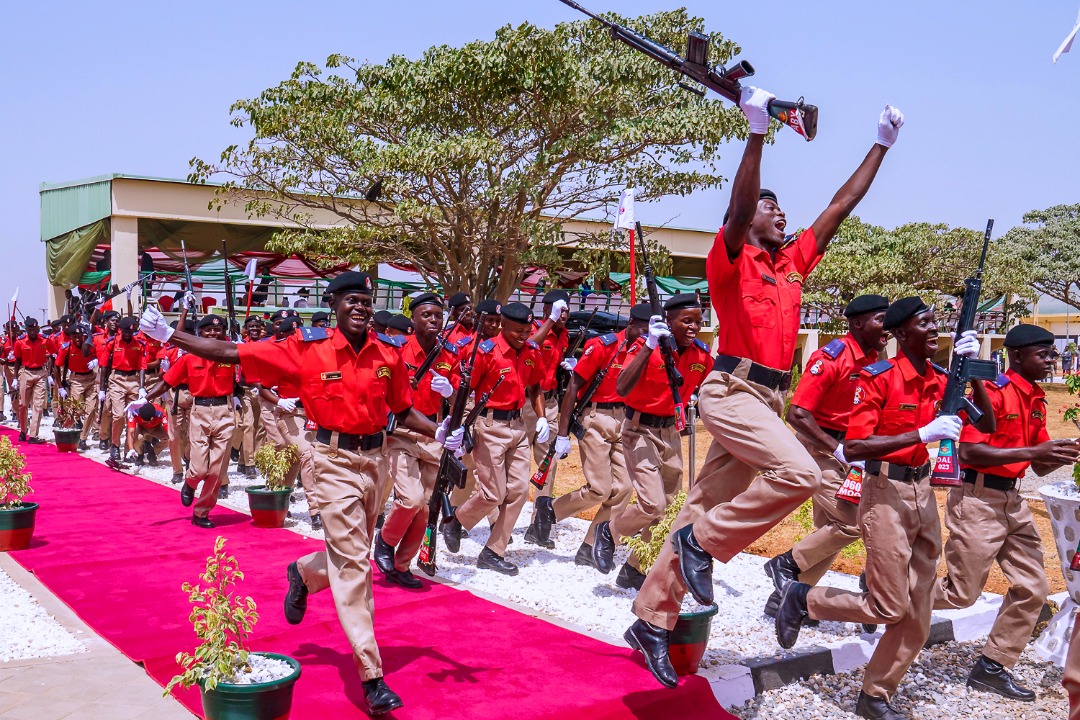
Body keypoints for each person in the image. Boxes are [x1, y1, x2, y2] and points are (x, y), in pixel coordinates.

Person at [625, 89, 906, 689]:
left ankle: (652, 618)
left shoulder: (792, 263)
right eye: (770, 208)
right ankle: (703, 549)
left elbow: (840, 204)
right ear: (747, 220)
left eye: (781, 208)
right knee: (799, 474)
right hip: (730, 389)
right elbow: (739, 205)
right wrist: (756, 132)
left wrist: (879, 146)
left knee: (700, 508)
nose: (780, 213)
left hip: (768, 398)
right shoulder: (729, 260)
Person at [139, 271, 461, 716]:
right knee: (355, 567)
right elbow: (231, 352)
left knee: (349, 553)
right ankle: (372, 676)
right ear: (334, 305)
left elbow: (403, 409)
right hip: (330, 461)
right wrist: (170, 334)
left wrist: (443, 433)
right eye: (351, 300)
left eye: (366, 300)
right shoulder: (306, 349)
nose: (361, 307)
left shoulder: (387, 354)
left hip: (375, 463)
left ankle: (304, 573)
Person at [775, 298, 994, 720]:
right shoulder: (878, 378)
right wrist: (922, 432)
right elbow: (854, 445)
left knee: (919, 609)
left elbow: (985, 425)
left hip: (923, 490)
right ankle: (805, 599)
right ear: (898, 334)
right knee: (889, 607)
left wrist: (974, 367)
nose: (934, 329)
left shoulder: (940, 377)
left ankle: (875, 695)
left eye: (937, 323)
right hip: (884, 490)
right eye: (924, 323)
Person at [933, 324, 1079, 702]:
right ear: (1017, 356)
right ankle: (885, 592)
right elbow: (967, 453)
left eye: (1053, 354)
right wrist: (1033, 454)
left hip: (1012, 502)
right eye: (1043, 354)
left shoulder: (1034, 397)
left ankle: (991, 668)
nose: (1051, 360)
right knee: (960, 595)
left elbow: (1042, 465)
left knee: (1033, 588)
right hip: (978, 499)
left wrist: (1068, 448)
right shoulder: (994, 392)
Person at [762, 295, 889, 618]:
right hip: (820, 450)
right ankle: (785, 564)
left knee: (829, 531)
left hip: (853, 456)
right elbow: (798, 414)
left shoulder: (876, 358)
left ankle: (785, 601)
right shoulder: (832, 358)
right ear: (858, 324)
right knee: (852, 523)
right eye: (880, 320)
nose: (887, 327)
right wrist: (839, 450)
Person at [591, 294, 710, 590]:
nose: (694, 327)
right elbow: (621, 386)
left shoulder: (701, 354)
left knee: (669, 509)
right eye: (687, 321)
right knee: (652, 504)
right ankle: (610, 531)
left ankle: (635, 568)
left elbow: (712, 385)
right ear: (668, 322)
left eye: (698, 320)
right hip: (638, 429)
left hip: (671, 431)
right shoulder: (646, 348)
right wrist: (649, 345)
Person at [440, 302, 547, 576]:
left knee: (520, 491)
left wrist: (542, 417)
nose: (524, 335)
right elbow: (466, 390)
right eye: (519, 331)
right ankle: (456, 522)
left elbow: (535, 387)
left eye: (528, 330)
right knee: (493, 493)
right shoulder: (487, 352)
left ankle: (493, 552)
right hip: (489, 425)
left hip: (519, 425)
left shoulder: (532, 353)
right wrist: (458, 426)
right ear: (504, 325)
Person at [544, 303, 650, 566]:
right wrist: (563, 433)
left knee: (624, 487)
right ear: (633, 325)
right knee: (600, 488)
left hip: (623, 419)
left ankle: (590, 546)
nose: (650, 337)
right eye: (645, 331)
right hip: (595, 417)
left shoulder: (646, 352)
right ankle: (550, 512)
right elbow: (573, 387)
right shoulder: (604, 345)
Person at [376, 293, 460, 588]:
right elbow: (379, 387)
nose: (434, 320)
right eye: (426, 315)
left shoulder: (449, 353)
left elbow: (463, 394)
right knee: (410, 499)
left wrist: (450, 392)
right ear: (413, 319)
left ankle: (402, 565)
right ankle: (385, 541)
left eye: (438, 315)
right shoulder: (397, 350)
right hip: (401, 431)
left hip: (433, 433)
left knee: (426, 506)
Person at [145, 315, 235, 526]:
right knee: (199, 468)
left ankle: (201, 513)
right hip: (200, 411)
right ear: (199, 334)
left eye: (218, 330)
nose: (213, 334)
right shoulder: (189, 358)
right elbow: (167, 382)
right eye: (207, 331)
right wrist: (144, 398)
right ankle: (189, 482)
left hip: (225, 410)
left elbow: (252, 372)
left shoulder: (231, 353)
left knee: (216, 470)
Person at [256, 316, 321, 528]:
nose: (297, 336)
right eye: (292, 334)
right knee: (307, 455)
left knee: (294, 459)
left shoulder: (315, 354)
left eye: (299, 332)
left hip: (314, 414)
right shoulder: (277, 357)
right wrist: (280, 401)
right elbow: (263, 388)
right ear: (283, 336)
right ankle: (316, 511)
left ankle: (277, 496)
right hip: (290, 414)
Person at [98, 317, 149, 466]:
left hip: (133, 380)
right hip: (117, 380)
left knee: (133, 417)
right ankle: (115, 445)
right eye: (126, 330)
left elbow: (142, 366)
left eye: (131, 331)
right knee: (118, 415)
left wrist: (141, 387)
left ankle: (130, 450)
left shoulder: (139, 344)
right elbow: (103, 365)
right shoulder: (112, 343)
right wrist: (102, 388)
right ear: (121, 329)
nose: (128, 333)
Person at [54, 322, 100, 451]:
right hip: (76, 380)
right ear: (71, 337)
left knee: (91, 410)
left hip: (91, 378)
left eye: (80, 336)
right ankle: (65, 431)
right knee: (76, 410)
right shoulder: (66, 348)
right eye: (75, 336)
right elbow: (56, 367)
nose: (78, 339)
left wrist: (96, 360)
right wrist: (60, 387)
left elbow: (101, 355)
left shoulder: (90, 346)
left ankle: (83, 439)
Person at [13, 317, 49, 444]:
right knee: (23, 404)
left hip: (40, 373)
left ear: (37, 328)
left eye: (34, 329)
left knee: (38, 405)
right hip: (26, 373)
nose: (32, 332)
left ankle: (33, 435)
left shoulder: (45, 340)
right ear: (26, 330)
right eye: (30, 330)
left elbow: (54, 354)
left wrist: (51, 375)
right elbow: (17, 359)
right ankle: (23, 430)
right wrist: (15, 379)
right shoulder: (20, 342)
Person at [128, 402, 169, 466]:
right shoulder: (134, 412)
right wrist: (131, 449)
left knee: (168, 439)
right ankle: (140, 454)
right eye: (144, 420)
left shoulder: (160, 412)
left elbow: (168, 429)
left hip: (156, 428)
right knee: (137, 439)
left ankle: (152, 453)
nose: (146, 422)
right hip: (142, 428)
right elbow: (131, 432)